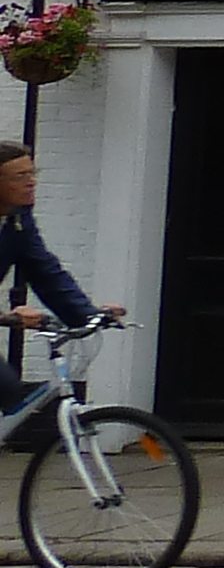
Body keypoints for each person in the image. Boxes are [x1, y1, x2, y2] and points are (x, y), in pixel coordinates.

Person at [1, 144, 117, 438]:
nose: (31, 182)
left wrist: (89, 316)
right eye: (18, 177)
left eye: (32, 173)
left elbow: (44, 270)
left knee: (8, 389)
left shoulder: (18, 219)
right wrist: (7, 317)